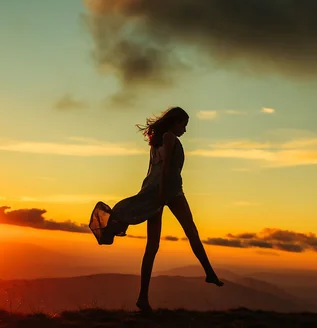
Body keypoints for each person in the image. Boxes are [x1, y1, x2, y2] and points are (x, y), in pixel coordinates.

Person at [89, 106, 223, 312]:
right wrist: (162, 194)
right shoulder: (169, 138)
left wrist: (151, 194)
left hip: (154, 191)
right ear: (174, 122)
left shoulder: (155, 143)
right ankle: (209, 272)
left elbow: (151, 171)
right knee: (191, 231)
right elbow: (167, 166)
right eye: (184, 125)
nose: (185, 130)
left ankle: (143, 297)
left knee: (152, 247)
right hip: (170, 191)